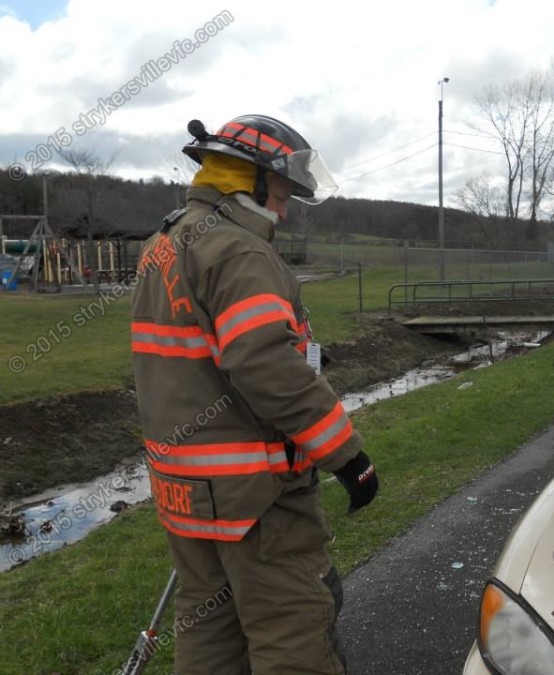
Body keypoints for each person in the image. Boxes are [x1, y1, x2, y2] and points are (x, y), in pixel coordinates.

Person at [131, 114, 378, 674]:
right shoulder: (238, 250)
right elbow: (263, 363)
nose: (284, 211)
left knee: (209, 630)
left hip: (185, 490)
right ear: (251, 180)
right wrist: (348, 457)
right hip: (256, 497)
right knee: (292, 630)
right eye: (284, 195)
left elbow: (207, 351)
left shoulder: (164, 243)